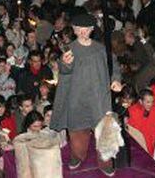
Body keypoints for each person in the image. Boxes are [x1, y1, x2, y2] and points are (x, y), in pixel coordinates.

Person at [50, 13, 122, 177]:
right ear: (74, 30)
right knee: (77, 133)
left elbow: (114, 66)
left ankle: (106, 162)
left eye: (86, 29)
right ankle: (77, 156)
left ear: (92, 29)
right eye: (79, 29)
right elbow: (65, 71)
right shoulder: (70, 50)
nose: (83, 32)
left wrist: (116, 79)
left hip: (99, 98)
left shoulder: (101, 49)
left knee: (105, 132)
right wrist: (65, 64)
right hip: (77, 98)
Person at [127, 89, 155, 156]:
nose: (150, 104)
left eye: (152, 101)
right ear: (140, 101)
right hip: (139, 150)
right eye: (148, 102)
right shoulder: (131, 112)